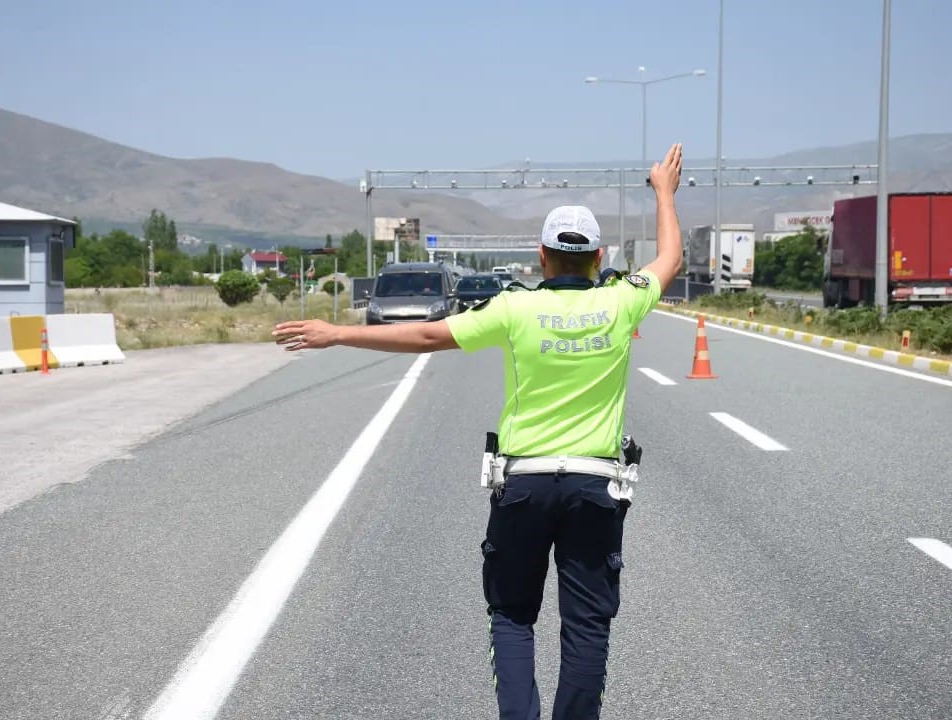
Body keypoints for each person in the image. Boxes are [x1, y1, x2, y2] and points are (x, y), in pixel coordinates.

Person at [273, 143, 685, 720]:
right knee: (587, 626)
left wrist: (335, 333)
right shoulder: (623, 301)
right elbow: (670, 257)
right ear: (599, 258)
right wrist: (664, 191)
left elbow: (426, 337)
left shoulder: (512, 310)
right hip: (596, 486)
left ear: (542, 257)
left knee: (514, 617)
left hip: (525, 486)